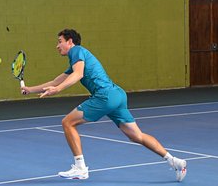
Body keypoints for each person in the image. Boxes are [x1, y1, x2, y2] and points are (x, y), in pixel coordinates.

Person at [21, 29, 187, 182]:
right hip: (117, 95)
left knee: (67, 122)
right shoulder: (78, 60)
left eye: (59, 41)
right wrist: (29, 90)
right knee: (137, 136)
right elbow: (56, 81)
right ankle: (175, 161)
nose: (57, 46)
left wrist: (57, 90)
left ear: (70, 41)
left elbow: (77, 75)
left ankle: (80, 168)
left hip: (105, 96)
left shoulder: (76, 51)